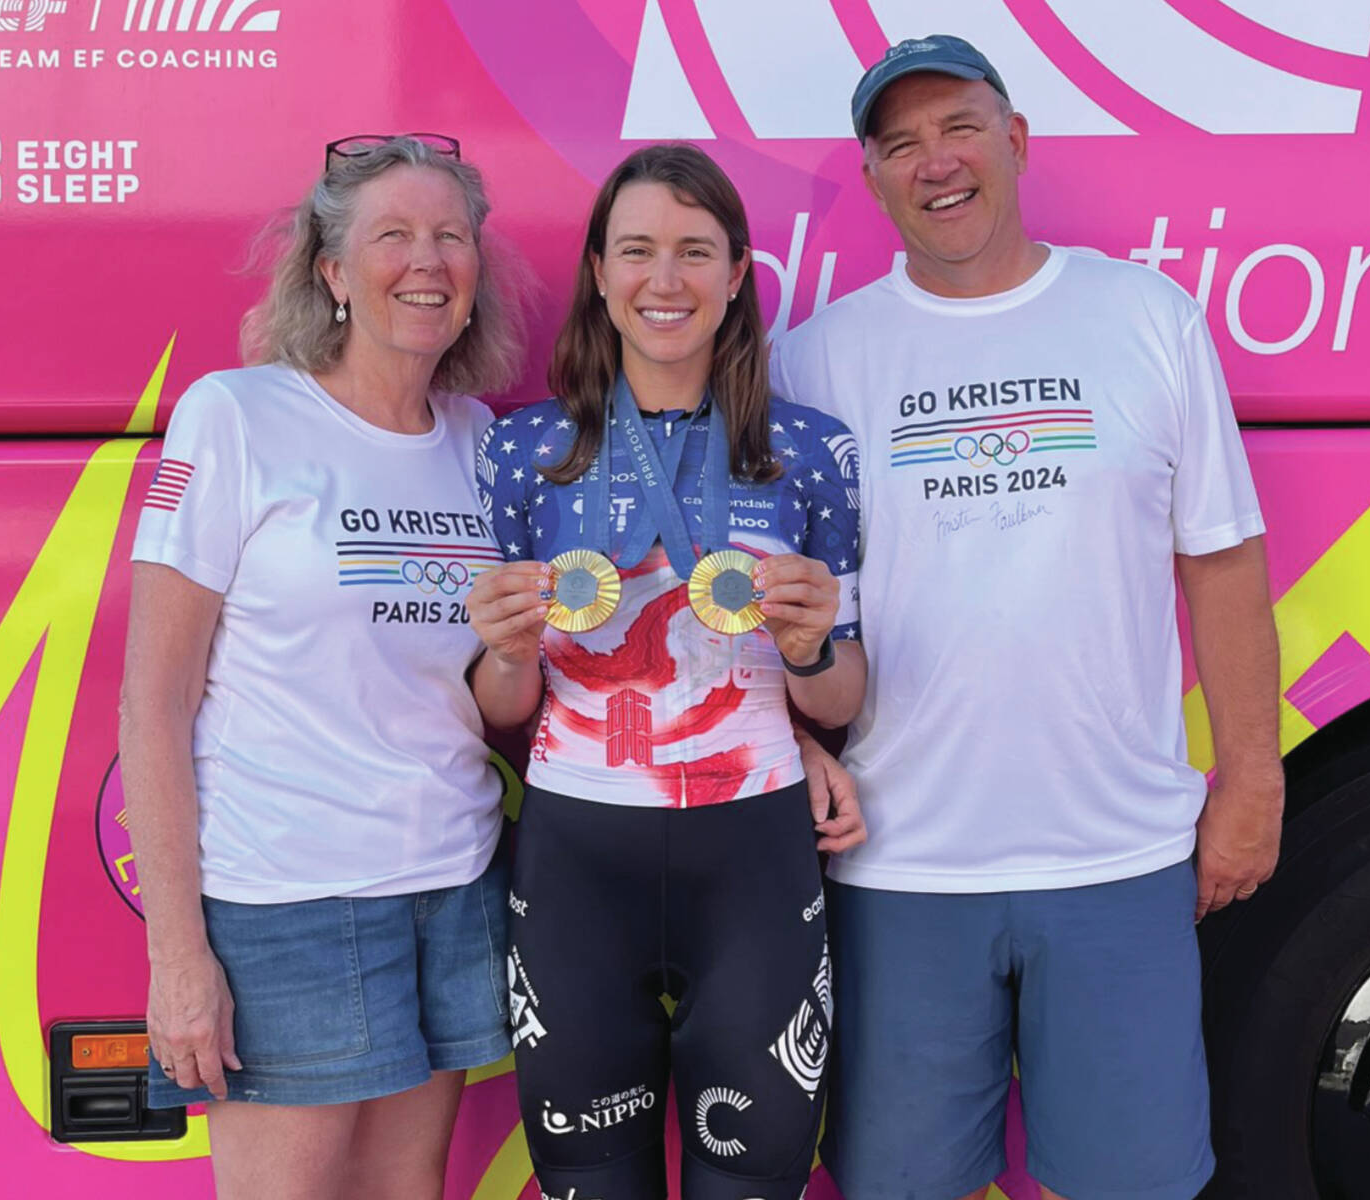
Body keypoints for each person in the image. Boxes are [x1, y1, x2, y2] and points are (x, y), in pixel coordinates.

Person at [770, 37, 1284, 1200]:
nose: (935, 162)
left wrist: (1252, 782)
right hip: (896, 865)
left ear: (1017, 139)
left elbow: (1223, 559)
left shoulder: (1144, 315)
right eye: (899, 144)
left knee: (1135, 1183)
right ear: (873, 177)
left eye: (958, 127)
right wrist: (797, 746)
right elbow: (775, 608)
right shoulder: (817, 359)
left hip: (1117, 856)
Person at [119, 133, 525, 1200]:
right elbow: (153, 706)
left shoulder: (484, 444)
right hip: (287, 903)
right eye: (392, 235)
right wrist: (178, 960)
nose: (427, 260)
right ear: (333, 270)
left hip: (451, 884)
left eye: (451, 236)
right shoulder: (237, 416)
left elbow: (486, 693)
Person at [465, 143, 867, 1200]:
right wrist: (508, 648)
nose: (666, 280)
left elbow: (840, 695)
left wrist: (809, 647)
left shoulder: (808, 451)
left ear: (738, 274)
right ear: (599, 271)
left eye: (697, 252)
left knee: (754, 1181)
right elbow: (501, 708)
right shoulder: (525, 453)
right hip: (575, 862)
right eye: (637, 250)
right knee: (590, 1182)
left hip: (756, 857)